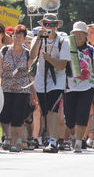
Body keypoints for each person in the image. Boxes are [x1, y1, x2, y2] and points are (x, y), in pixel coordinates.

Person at [29, 13, 70, 153]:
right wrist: (39, 39)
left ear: (56, 26)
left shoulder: (63, 41)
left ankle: (53, 141)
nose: (48, 27)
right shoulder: (38, 39)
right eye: (46, 24)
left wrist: (48, 58)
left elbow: (62, 65)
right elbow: (32, 55)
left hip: (57, 80)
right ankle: (50, 138)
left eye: (52, 24)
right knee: (46, 112)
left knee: (53, 110)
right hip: (41, 80)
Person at [65, 22, 94, 152]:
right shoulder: (67, 49)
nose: (78, 36)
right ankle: (74, 136)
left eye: (81, 34)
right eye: (76, 34)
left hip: (87, 87)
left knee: (82, 113)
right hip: (70, 87)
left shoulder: (92, 51)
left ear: (86, 35)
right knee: (69, 118)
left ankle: (79, 141)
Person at [0, 24, 35, 152]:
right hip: (6, 88)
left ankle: (15, 142)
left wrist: (33, 93)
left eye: (20, 36)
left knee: (18, 117)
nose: (17, 38)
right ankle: (8, 137)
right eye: (15, 35)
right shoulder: (4, 50)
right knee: (4, 116)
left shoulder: (27, 53)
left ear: (24, 38)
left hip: (22, 89)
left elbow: (30, 73)